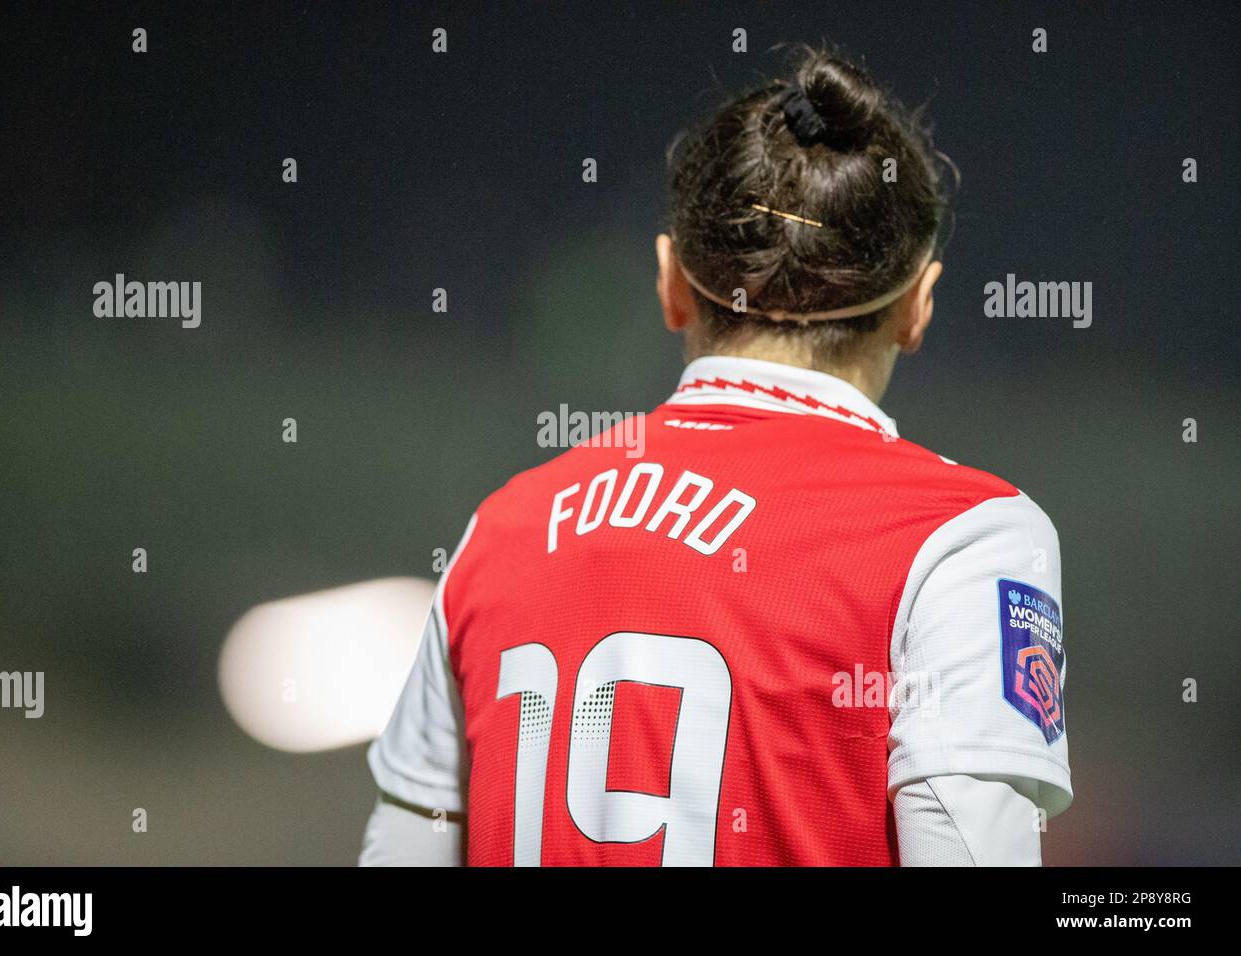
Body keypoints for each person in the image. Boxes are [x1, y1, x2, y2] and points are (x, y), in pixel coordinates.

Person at [361, 45, 1070, 866]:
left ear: (670, 282)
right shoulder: (966, 536)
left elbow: (405, 847)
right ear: (919, 304)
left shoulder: (499, 531)